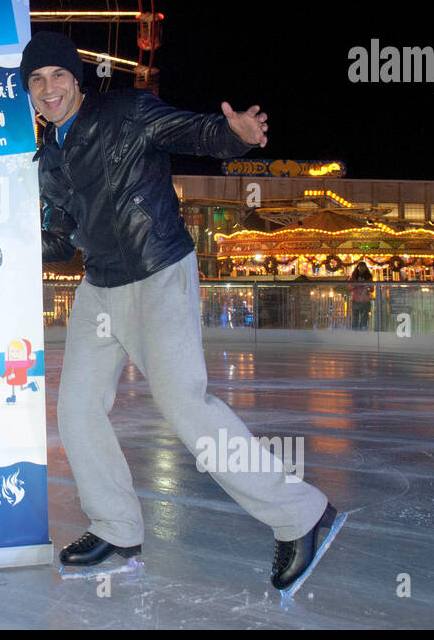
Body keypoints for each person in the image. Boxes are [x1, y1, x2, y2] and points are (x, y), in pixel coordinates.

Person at [25, 31, 337, 590]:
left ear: (76, 79)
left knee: (184, 405)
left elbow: (193, 130)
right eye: (37, 81)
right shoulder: (48, 158)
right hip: (100, 285)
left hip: (158, 270)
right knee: (75, 410)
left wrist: (234, 134)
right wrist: (2, 233)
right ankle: (117, 528)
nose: (48, 89)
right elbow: (58, 242)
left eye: (57, 76)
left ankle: (301, 514)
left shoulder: (125, 110)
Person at [349, 260, 373, 330]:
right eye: (360, 267)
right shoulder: (353, 277)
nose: (362, 268)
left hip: (364, 299)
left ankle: (362, 327)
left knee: (364, 316)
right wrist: (355, 286)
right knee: (356, 316)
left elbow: (372, 288)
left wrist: (368, 288)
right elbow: (349, 286)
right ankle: (356, 328)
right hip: (356, 299)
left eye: (363, 267)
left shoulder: (368, 277)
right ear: (358, 267)